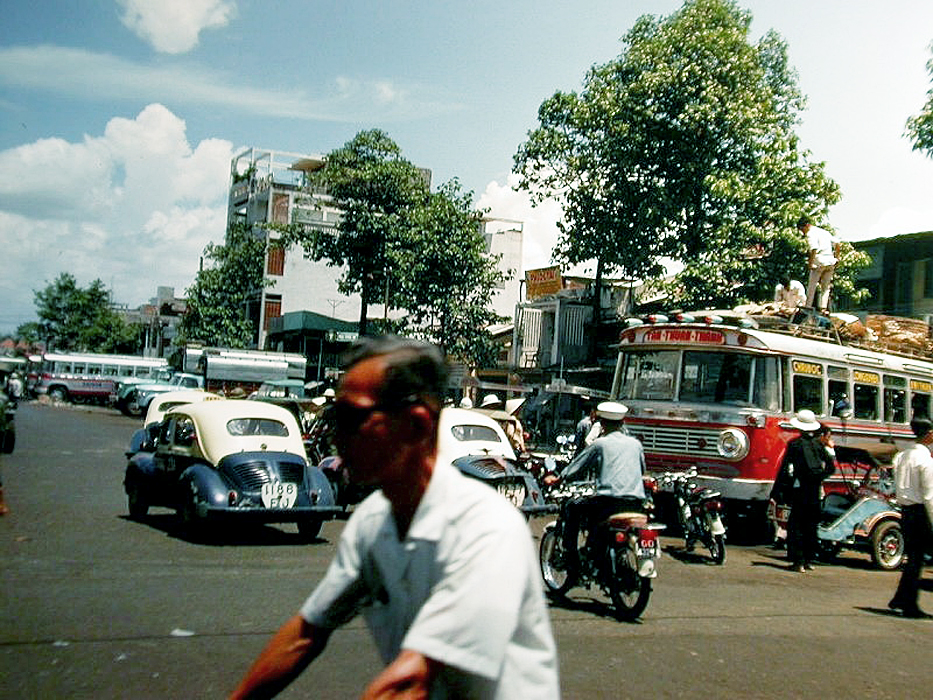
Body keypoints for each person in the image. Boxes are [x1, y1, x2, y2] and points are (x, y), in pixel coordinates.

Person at [231, 336, 559, 699]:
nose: (338, 437)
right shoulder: (372, 523)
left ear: (416, 426)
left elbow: (411, 681)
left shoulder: (487, 531)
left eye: (351, 419)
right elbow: (306, 634)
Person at [545, 401, 646, 576]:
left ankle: (572, 559)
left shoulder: (599, 445)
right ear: (622, 423)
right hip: (636, 503)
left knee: (572, 506)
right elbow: (641, 469)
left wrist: (558, 478)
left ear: (602, 424)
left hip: (608, 504)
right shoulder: (635, 444)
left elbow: (576, 468)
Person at [771, 410, 836, 572]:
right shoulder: (818, 444)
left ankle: (798, 561)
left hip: (800, 489)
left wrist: (777, 491)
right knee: (811, 525)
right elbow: (831, 467)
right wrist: (819, 477)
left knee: (795, 526)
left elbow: (784, 470)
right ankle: (809, 560)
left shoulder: (794, 445)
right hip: (815, 490)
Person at [888, 416, 933, 618]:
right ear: (929, 434)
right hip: (920, 512)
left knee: (913, 558)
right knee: (916, 561)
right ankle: (908, 604)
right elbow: (929, 495)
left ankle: (900, 598)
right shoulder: (926, 460)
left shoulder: (902, 456)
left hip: (905, 510)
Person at [799, 216, 840, 312]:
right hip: (830, 260)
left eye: (802, 229)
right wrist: (837, 258)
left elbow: (814, 248)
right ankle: (823, 308)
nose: (802, 232)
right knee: (825, 287)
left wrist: (810, 263)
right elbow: (838, 244)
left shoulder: (810, 233)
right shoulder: (824, 232)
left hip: (819, 261)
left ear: (807, 225)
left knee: (811, 287)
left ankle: (807, 308)